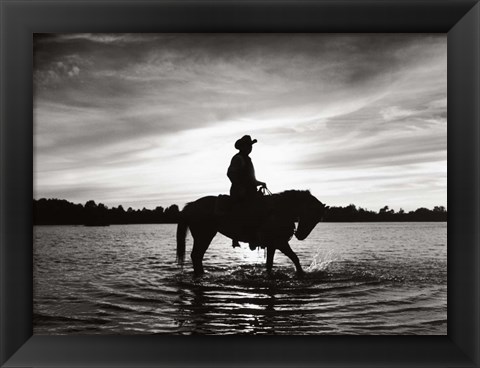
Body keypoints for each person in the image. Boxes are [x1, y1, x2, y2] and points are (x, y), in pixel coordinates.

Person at [227, 135, 266, 248]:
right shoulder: (238, 158)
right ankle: (247, 236)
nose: (250, 148)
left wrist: (260, 183)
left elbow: (251, 179)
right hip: (240, 191)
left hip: (249, 190)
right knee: (249, 209)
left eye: (250, 146)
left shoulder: (247, 159)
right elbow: (230, 174)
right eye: (248, 146)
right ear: (242, 147)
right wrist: (240, 187)